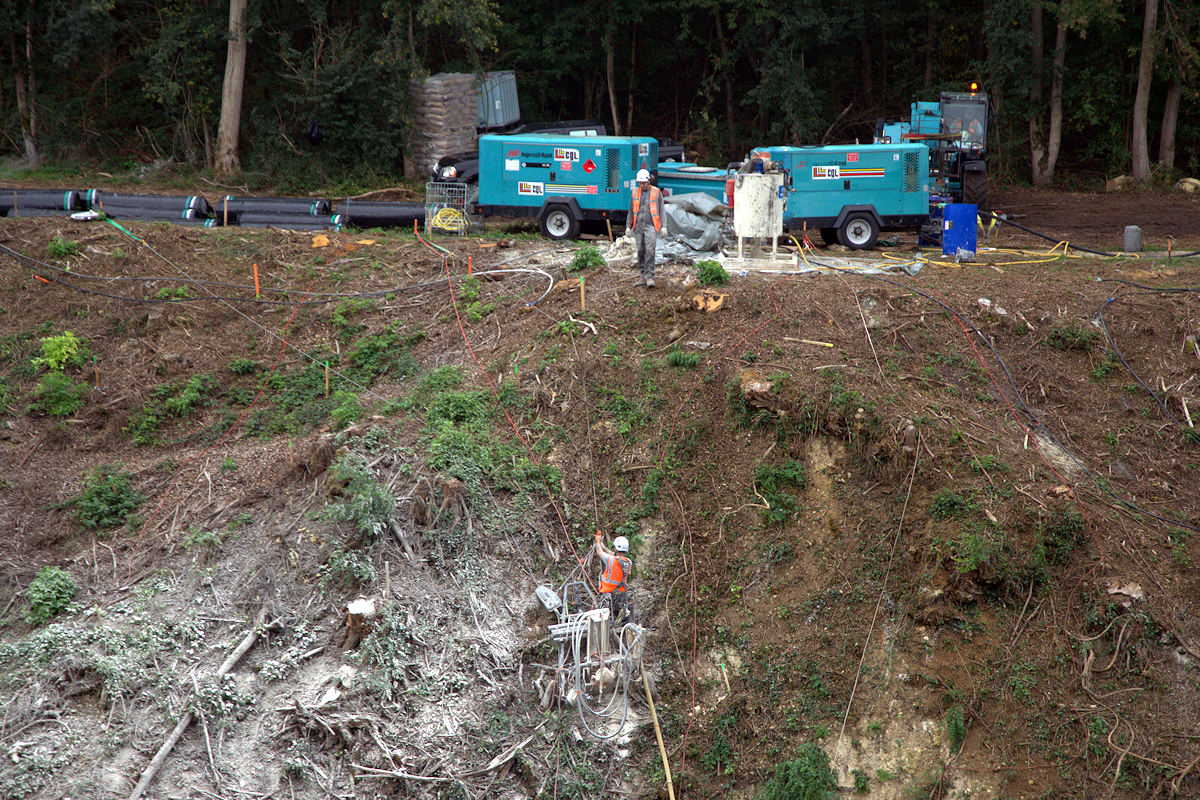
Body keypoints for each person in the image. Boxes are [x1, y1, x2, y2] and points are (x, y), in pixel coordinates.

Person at [626, 169, 663, 288]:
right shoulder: (635, 192)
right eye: (640, 183)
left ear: (649, 180)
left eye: (644, 183)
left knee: (650, 251)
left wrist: (664, 226)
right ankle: (642, 276)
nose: (642, 185)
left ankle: (650, 277)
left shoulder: (656, 192)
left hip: (650, 226)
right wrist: (628, 226)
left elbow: (662, 210)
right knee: (640, 251)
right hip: (638, 227)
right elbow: (631, 211)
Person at [594, 530, 633, 624]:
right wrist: (602, 545)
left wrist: (597, 542)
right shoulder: (628, 562)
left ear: (616, 548)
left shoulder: (610, 560)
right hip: (621, 598)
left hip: (607, 597)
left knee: (600, 619)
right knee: (618, 621)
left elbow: (599, 552)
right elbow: (614, 555)